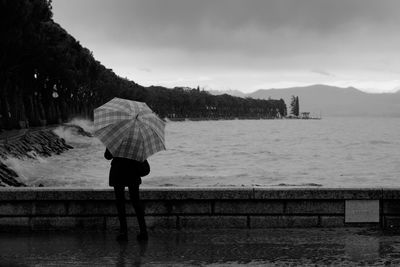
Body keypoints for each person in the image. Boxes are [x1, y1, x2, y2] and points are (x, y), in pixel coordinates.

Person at [104, 148, 150, 241]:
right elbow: (142, 159)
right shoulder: (137, 141)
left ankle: (123, 232)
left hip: (118, 172)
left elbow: (107, 156)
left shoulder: (116, 138)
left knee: (120, 203)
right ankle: (143, 231)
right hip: (133, 173)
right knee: (136, 202)